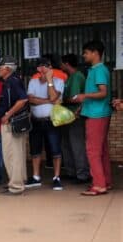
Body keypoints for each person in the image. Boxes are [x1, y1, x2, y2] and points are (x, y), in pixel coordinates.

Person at [75, 40, 112, 196]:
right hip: (96, 112)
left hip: (97, 114)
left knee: (92, 151)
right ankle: (105, 181)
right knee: (101, 150)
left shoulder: (99, 70)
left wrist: (84, 96)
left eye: (86, 52)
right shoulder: (95, 70)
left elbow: (103, 92)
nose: (84, 56)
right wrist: (82, 106)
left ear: (95, 53)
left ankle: (98, 185)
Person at [26, 58, 65, 190]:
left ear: (51, 68)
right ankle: (36, 177)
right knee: (35, 151)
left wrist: (49, 81)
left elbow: (54, 97)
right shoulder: (33, 82)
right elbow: (30, 99)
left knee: (55, 150)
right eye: (41, 66)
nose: (43, 69)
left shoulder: (59, 82)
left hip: (52, 120)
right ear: (37, 69)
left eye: (46, 66)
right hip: (36, 121)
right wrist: (48, 100)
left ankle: (56, 177)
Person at [0, 56, 29, 195]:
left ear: (8, 69)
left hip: (12, 122)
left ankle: (16, 186)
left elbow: (23, 100)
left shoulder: (12, 82)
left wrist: (8, 115)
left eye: (0, 67)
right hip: (14, 121)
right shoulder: (11, 81)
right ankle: (17, 181)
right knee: (17, 154)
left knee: (12, 154)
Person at [59, 54, 90, 184]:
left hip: (75, 116)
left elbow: (74, 98)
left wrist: (63, 100)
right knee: (66, 145)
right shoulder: (70, 77)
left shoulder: (77, 77)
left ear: (66, 64)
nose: (60, 66)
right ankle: (71, 172)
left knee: (77, 145)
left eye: (61, 63)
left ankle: (82, 174)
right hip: (67, 116)